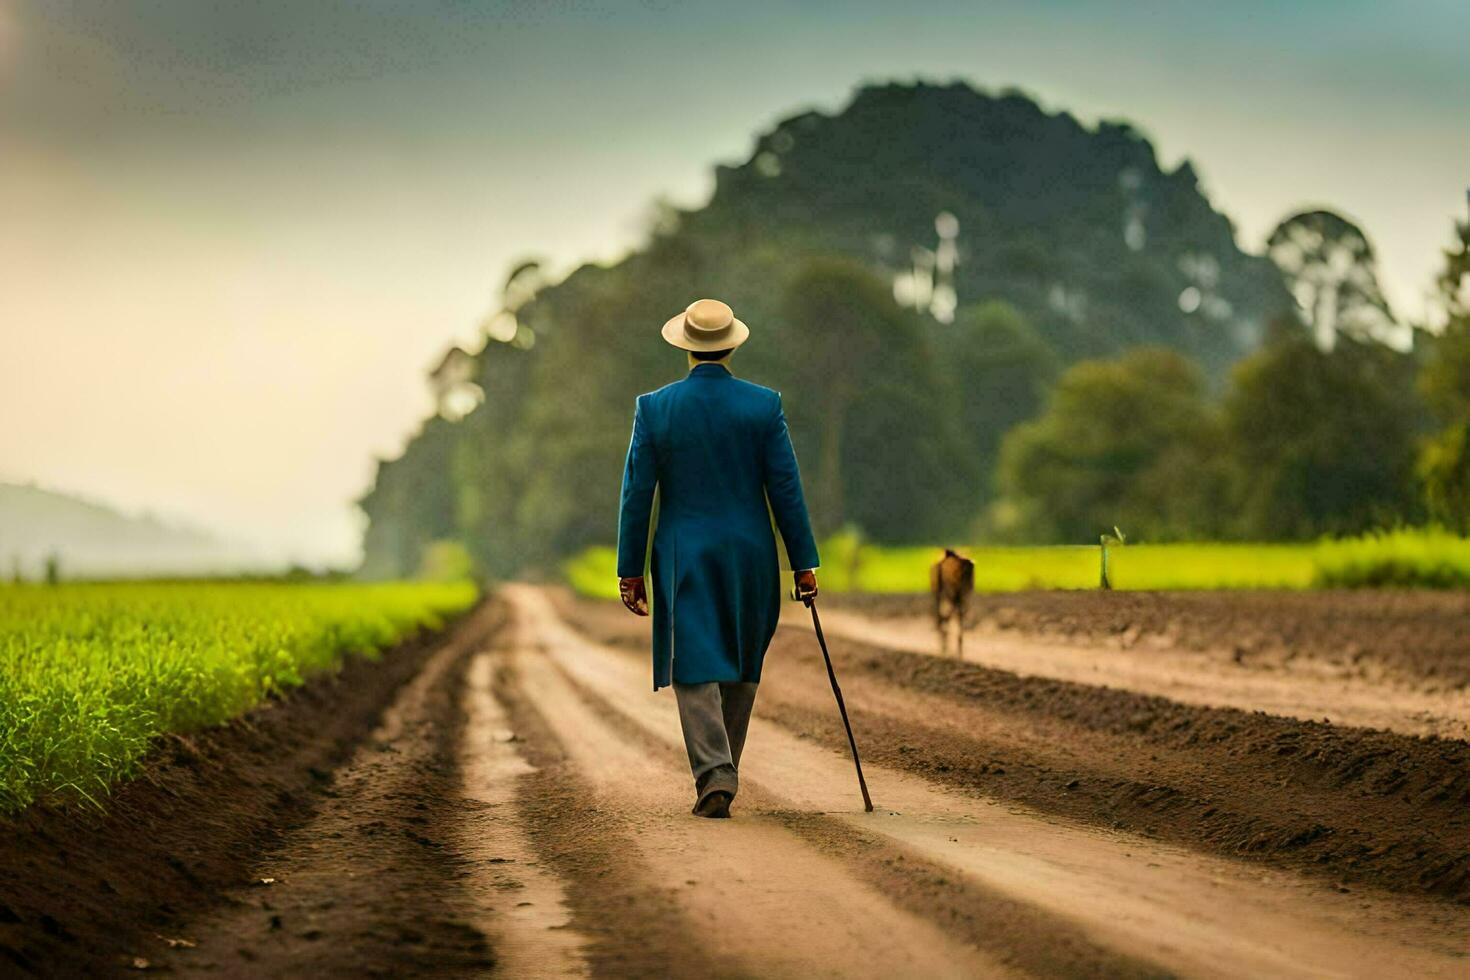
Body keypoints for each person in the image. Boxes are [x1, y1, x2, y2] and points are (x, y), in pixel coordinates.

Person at [616, 298, 820, 818]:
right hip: (752, 552)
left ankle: (715, 771)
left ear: (685, 348)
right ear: (732, 345)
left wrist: (629, 570)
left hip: (684, 552)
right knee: (741, 661)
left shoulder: (655, 408)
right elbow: (786, 490)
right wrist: (803, 562)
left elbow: (637, 494)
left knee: (694, 660)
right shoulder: (763, 406)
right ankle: (720, 769)